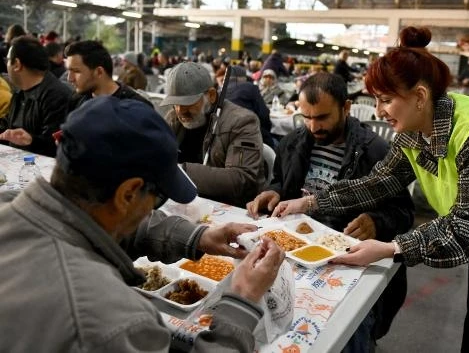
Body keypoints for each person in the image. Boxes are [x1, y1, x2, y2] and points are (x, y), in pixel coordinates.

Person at [272, 26, 469, 353]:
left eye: (385, 100)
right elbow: (378, 182)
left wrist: (391, 248)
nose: (378, 111)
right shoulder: (416, 128)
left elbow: (466, 230)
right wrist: (308, 203)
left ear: (420, 96)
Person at [0, 96, 285, 352]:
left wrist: (199, 236)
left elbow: (97, 225)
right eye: (158, 197)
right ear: (127, 194)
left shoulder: (13, 205)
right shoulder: (116, 320)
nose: (153, 208)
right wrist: (242, 302)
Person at [247, 72, 414, 351]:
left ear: (346, 108)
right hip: (297, 252)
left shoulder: (375, 152)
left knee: (343, 333)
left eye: (322, 117)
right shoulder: (293, 142)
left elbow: (404, 213)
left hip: (347, 258)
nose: (314, 127)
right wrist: (274, 191)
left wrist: (377, 220)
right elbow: (283, 182)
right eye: (307, 117)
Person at [161, 62, 264, 208]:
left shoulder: (242, 122)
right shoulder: (173, 119)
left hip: (229, 208)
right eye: (175, 103)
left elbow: (241, 180)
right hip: (187, 204)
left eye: (188, 102)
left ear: (211, 95)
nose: (180, 110)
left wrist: (181, 171)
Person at [0, 36, 71, 157]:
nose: (6, 66)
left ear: (17, 64)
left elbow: (55, 145)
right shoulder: (20, 93)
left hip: (40, 170)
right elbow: (6, 126)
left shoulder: (56, 96)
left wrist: (31, 140)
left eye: (7, 61)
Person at [65, 40, 153, 113]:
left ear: (99, 72)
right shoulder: (77, 101)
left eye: (76, 71)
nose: (69, 78)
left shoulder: (138, 109)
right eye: (68, 71)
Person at [223, 65, 275, 149]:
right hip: (250, 136)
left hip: (224, 137)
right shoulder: (250, 87)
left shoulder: (220, 90)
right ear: (243, 77)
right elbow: (264, 114)